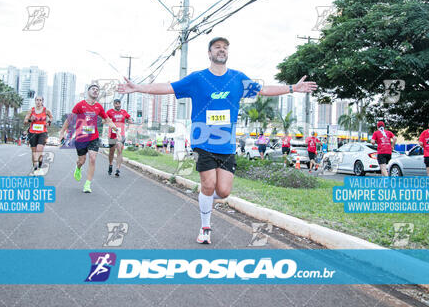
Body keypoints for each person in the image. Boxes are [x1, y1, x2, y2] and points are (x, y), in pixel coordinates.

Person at [118, 36, 316, 244]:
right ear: (209, 53)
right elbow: (168, 87)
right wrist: (138, 87)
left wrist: (293, 88)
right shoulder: (197, 78)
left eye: (225, 48)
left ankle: (204, 199)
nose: (221, 50)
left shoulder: (238, 79)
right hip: (202, 141)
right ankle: (205, 227)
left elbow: (264, 90)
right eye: (217, 47)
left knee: (223, 191)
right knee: (209, 183)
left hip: (227, 144)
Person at [59, 84, 119, 193]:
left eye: (97, 90)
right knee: (82, 160)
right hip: (81, 137)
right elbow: (69, 119)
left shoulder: (99, 107)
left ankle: (87, 184)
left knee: (93, 158)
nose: (96, 91)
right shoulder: (80, 105)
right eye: (93, 89)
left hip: (93, 137)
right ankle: (78, 168)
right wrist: (62, 132)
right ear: (88, 91)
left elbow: (108, 119)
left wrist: (115, 128)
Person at [23, 96, 53, 175]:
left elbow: (51, 117)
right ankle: (35, 167)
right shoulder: (31, 110)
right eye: (37, 100)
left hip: (42, 132)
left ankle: (39, 167)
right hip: (32, 133)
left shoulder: (46, 110)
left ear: (42, 101)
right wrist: (30, 120)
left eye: (40, 100)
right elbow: (25, 121)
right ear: (35, 101)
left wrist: (49, 122)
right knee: (34, 152)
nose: (38, 102)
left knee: (39, 150)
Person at [106, 99, 132, 177]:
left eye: (119, 104)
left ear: (120, 104)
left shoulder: (124, 112)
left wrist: (129, 121)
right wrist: (108, 121)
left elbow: (129, 118)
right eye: (116, 104)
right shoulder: (109, 112)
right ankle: (110, 164)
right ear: (114, 104)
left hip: (121, 134)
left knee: (119, 149)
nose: (118, 105)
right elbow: (104, 119)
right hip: (112, 134)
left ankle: (118, 169)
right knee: (111, 151)